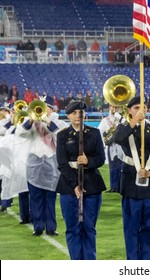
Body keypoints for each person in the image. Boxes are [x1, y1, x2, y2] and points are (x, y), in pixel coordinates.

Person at [113, 96, 150, 260]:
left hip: (149, 184)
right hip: (130, 183)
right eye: (136, 108)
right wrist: (135, 120)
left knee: (149, 228)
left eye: (142, 107)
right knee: (131, 228)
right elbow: (118, 138)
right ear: (129, 110)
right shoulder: (124, 127)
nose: (140, 110)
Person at [56, 100, 106, 260]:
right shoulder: (62, 135)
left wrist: (88, 161)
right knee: (73, 228)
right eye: (74, 113)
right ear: (68, 116)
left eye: (81, 112)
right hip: (69, 187)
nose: (78, 115)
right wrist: (75, 185)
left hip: (92, 185)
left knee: (89, 228)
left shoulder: (94, 133)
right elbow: (62, 164)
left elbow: (101, 158)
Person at [16, 100, 67, 236]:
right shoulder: (30, 122)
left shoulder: (58, 122)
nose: (45, 110)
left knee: (50, 198)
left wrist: (48, 122)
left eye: (47, 108)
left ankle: (51, 227)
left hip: (51, 165)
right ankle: (38, 227)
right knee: (35, 197)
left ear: (51, 109)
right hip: (34, 164)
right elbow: (19, 133)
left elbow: (62, 135)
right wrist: (31, 121)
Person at [98, 105, 123, 193]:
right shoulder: (105, 120)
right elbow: (100, 131)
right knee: (112, 167)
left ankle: (120, 187)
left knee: (121, 166)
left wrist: (119, 119)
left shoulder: (122, 119)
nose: (114, 109)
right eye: (112, 107)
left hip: (120, 146)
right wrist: (105, 134)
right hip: (111, 145)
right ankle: (113, 186)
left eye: (116, 107)